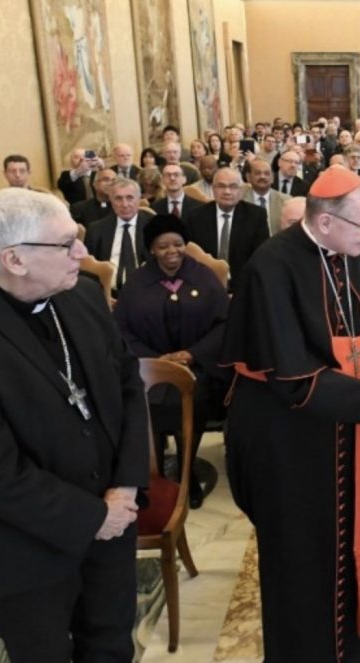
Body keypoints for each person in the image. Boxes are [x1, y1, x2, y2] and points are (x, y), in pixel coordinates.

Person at [221, 166, 360, 662]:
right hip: (284, 438)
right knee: (302, 556)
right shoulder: (271, 267)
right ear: (325, 222)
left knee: (354, 537)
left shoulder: (353, 254)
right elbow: (293, 378)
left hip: (340, 424)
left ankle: (356, 645)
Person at [0, 187, 149, 662]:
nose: (81, 253)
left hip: (112, 524)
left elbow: (127, 386)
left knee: (112, 645)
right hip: (27, 549)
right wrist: (93, 517)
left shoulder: (83, 295)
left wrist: (125, 486)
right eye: (66, 244)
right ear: (14, 259)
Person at [113, 215, 229, 509]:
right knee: (147, 404)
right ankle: (157, 477)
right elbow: (121, 329)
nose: (171, 251)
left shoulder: (204, 277)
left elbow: (224, 324)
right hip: (150, 367)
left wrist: (193, 353)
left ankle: (188, 472)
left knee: (195, 399)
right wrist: (156, 359)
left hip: (198, 366)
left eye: (177, 244)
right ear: (152, 249)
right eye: (163, 246)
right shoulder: (137, 282)